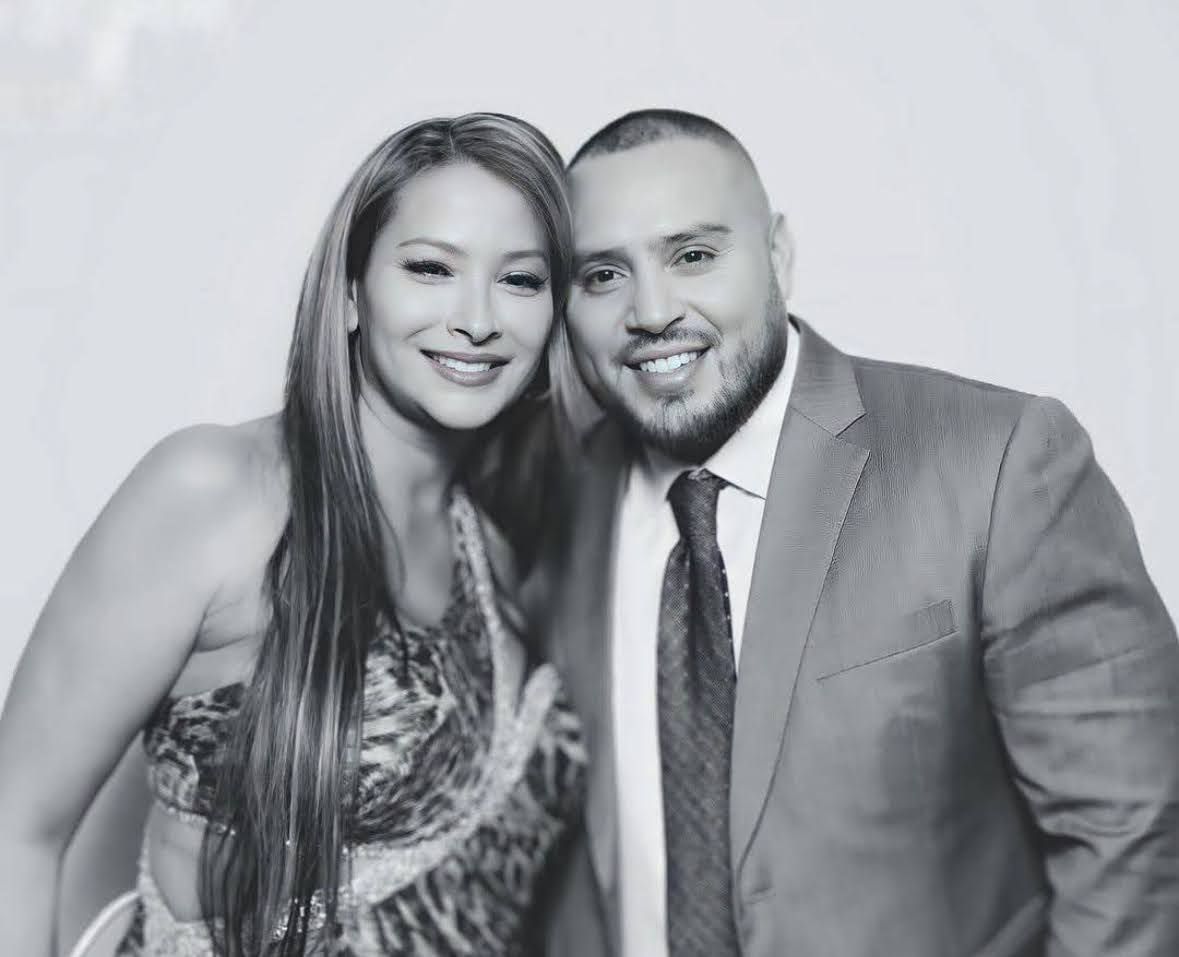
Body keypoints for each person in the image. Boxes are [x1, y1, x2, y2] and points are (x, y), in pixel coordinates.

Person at [541, 108, 1179, 957]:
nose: (651, 311)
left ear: (777, 255)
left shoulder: (997, 461)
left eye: (693, 255)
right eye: (601, 275)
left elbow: (1133, 830)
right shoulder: (546, 509)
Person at [0, 112, 586, 956]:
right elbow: (18, 829)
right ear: (350, 291)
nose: (477, 319)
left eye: (520, 281)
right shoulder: (216, 492)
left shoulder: (487, 546)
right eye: (429, 268)